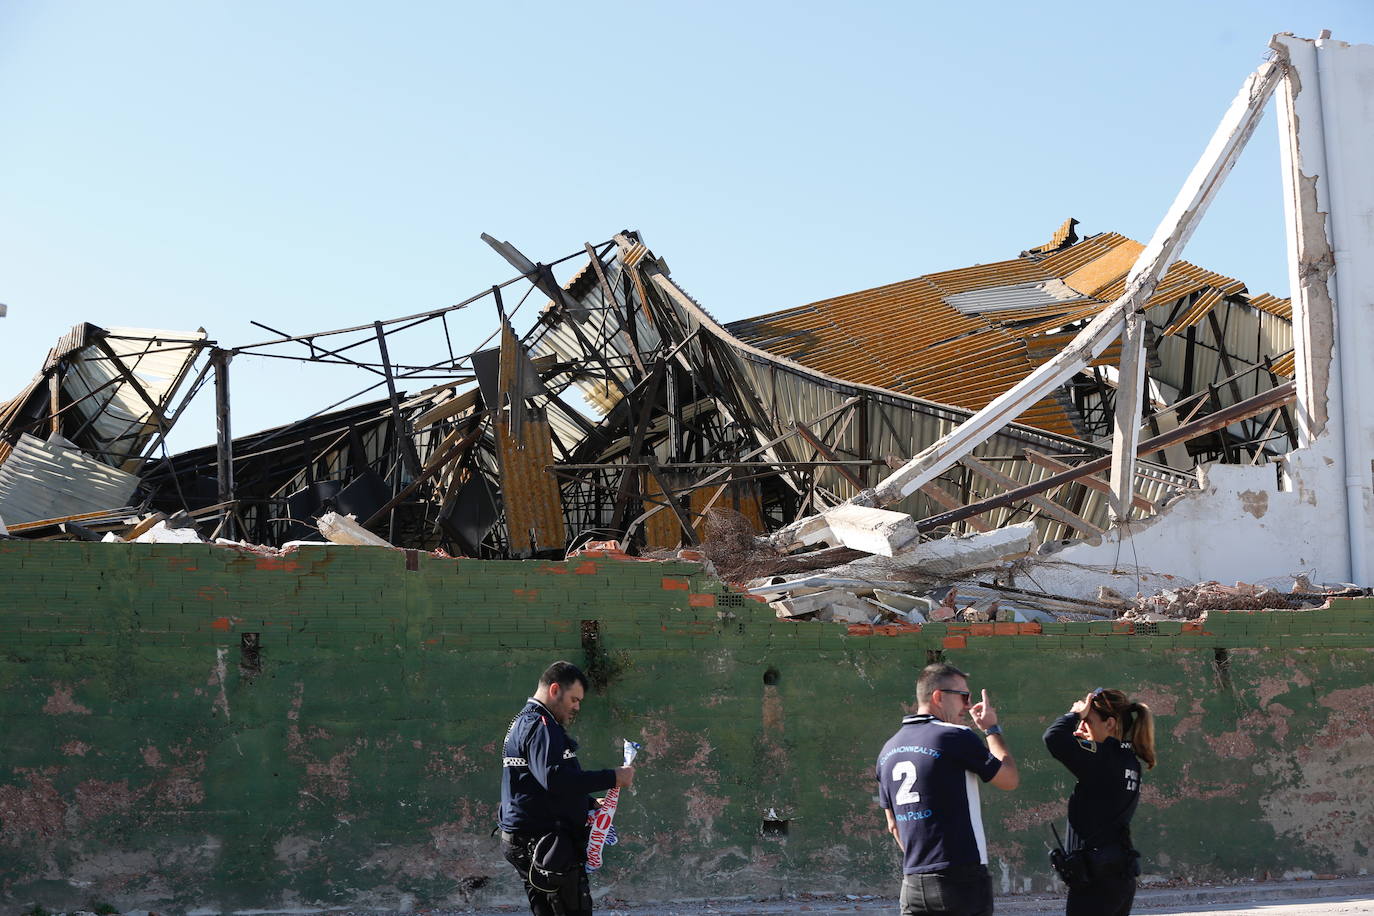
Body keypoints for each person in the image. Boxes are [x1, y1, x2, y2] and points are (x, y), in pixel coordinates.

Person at [875, 663, 1020, 916]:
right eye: (964, 696)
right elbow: (1008, 779)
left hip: (913, 882)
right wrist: (991, 729)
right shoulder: (956, 736)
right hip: (960, 879)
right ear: (938, 697)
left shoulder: (888, 749)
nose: (968, 705)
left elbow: (894, 825)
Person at [499, 661, 634, 916]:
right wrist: (613, 777)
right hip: (542, 842)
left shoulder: (530, 722)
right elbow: (554, 779)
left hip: (532, 840)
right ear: (554, 690)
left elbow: (541, 782)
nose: (577, 707)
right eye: (574, 699)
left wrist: (589, 804)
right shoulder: (540, 725)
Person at [1043, 687, 1158, 916]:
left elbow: (1053, 738)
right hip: (1117, 875)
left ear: (1110, 724)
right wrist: (1086, 744)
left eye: (1088, 721)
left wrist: (1074, 714)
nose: (1081, 726)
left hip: (1097, 879)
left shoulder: (1103, 759)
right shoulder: (1128, 759)